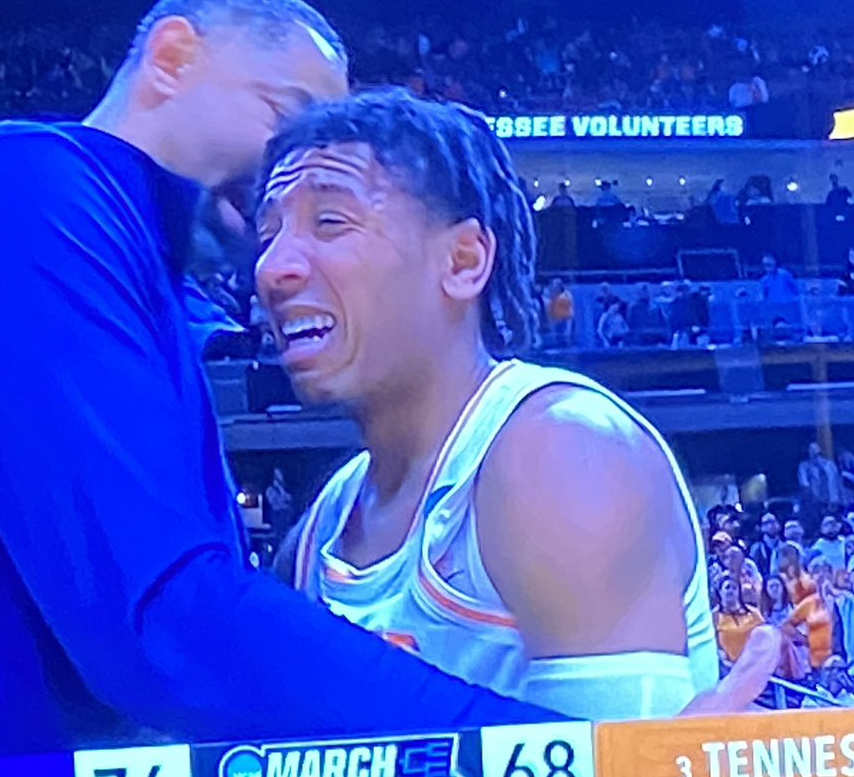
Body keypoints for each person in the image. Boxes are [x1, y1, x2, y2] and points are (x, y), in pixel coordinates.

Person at [0, 0, 562, 770]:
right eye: (286, 117)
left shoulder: (132, 262)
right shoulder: (23, 191)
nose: (286, 167)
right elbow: (162, 620)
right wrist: (545, 753)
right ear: (171, 57)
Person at [261, 90, 718, 719]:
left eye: (330, 223)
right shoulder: (321, 530)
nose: (273, 266)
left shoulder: (562, 450)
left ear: (464, 260)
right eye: (269, 233)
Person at [761, 573, 809, 680]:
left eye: (777, 586)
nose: (775, 589)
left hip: (799, 654)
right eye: (771, 586)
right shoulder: (763, 615)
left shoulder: (795, 610)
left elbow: (803, 635)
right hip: (777, 658)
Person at [714, 575, 765, 665]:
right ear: (720, 592)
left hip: (755, 664)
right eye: (727, 587)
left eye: (734, 588)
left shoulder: (753, 612)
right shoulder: (714, 616)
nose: (731, 590)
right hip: (728, 666)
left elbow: (765, 636)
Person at [799, 441, 841, 512]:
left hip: (830, 499)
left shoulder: (829, 465)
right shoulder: (804, 466)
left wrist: (834, 498)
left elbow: (834, 482)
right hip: (814, 501)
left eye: (816, 451)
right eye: (811, 450)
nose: (814, 453)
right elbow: (804, 484)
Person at [749, 512, 782, 579]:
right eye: (767, 523)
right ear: (761, 527)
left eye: (773, 522)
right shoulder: (756, 549)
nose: (771, 525)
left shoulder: (786, 547)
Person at [544, 278, 574, 348]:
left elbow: (567, 304)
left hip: (565, 319)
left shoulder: (566, 294)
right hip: (556, 319)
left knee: (565, 335)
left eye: (556, 285)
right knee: (557, 336)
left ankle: (566, 347)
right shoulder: (553, 295)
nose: (554, 287)